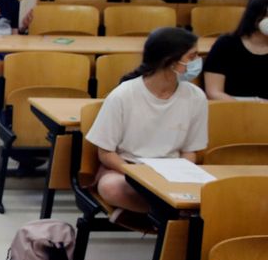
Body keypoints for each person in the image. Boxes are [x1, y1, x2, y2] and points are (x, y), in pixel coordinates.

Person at [86, 27, 208, 230]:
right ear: (170, 61)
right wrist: (138, 173)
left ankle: (155, 216)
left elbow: (189, 151)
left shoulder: (196, 97)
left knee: (214, 193)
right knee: (111, 187)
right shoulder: (123, 95)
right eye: (192, 56)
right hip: (128, 170)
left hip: (173, 172)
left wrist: (181, 175)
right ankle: (170, 217)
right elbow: (106, 153)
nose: (198, 62)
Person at [202, 0, 268, 101]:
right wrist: (243, 109)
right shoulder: (226, 44)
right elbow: (214, 91)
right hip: (231, 108)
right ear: (254, 16)